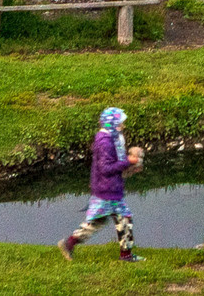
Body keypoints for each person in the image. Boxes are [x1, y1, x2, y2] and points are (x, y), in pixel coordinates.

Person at [58, 106, 143, 262]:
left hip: (106, 188)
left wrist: (129, 165)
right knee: (124, 218)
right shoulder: (105, 142)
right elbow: (106, 168)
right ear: (112, 124)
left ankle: (69, 243)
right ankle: (126, 256)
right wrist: (127, 162)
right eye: (119, 123)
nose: (122, 126)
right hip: (108, 190)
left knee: (100, 221)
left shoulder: (110, 139)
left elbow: (112, 164)